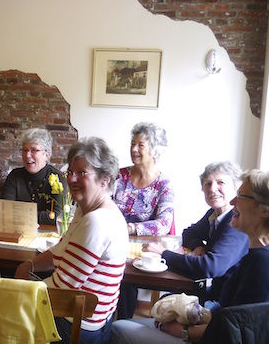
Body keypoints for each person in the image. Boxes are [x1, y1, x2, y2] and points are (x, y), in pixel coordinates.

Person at [111, 169, 269, 344]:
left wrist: (184, 331)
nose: (233, 202)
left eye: (240, 197)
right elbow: (231, 316)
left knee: (118, 329)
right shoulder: (253, 253)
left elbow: (236, 332)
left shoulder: (261, 263)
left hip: (206, 336)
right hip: (211, 318)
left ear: (264, 210)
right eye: (207, 184)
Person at [15, 137, 128, 344]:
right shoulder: (86, 209)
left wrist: (20, 289)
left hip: (78, 326)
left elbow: (62, 287)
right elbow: (61, 249)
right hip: (89, 318)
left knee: (3, 313)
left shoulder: (97, 221)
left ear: (105, 179)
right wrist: (30, 264)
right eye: (70, 172)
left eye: (82, 172)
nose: (72, 179)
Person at [145, 162, 249, 302]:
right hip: (209, 288)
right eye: (207, 184)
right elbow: (189, 233)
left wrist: (164, 253)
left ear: (235, 187)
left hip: (222, 302)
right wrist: (199, 246)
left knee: (165, 301)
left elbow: (211, 266)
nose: (212, 189)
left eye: (220, 182)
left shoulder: (236, 222)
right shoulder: (214, 213)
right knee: (166, 300)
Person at [114, 122, 175, 236]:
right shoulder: (118, 176)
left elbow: (164, 224)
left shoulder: (164, 185)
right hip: (110, 240)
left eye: (140, 145)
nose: (134, 149)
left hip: (144, 248)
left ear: (155, 150)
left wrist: (130, 228)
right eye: (132, 144)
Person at [2, 128, 68, 225]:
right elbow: (6, 211)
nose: (28, 155)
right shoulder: (15, 176)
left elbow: (57, 216)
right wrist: (42, 216)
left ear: (46, 155)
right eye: (25, 150)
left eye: (34, 150)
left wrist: (19, 215)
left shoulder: (58, 178)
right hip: (18, 233)